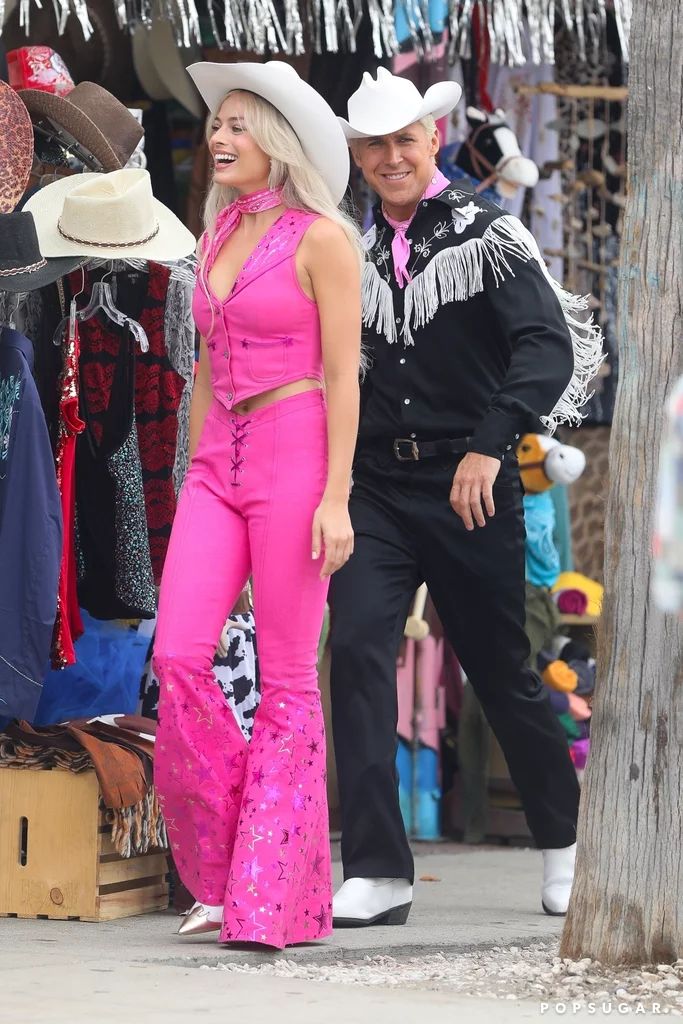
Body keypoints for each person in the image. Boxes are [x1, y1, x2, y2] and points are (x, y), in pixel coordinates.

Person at [329, 69, 604, 927]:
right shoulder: (353, 249)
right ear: (357, 157)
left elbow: (544, 348)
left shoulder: (491, 232)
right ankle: (379, 868)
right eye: (372, 146)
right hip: (376, 482)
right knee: (359, 651)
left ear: (432, 140)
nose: (389, 157)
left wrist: (491, 446)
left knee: (499, 671)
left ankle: (562, 845)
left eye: (402, 140)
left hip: (469, 482)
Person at [152, 60, 362, 949]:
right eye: (218, 123)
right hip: (213, 467)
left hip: (296, 459)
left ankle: (271, 894)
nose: (220, 135)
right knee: (178, 657)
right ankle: (240, 853)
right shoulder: (214, 234)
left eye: (240, 123)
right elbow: (202, 370)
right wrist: (184, 474)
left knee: (284, 684)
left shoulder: (323, 239)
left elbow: (345, 376)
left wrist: (337, 497)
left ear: (278, 140)